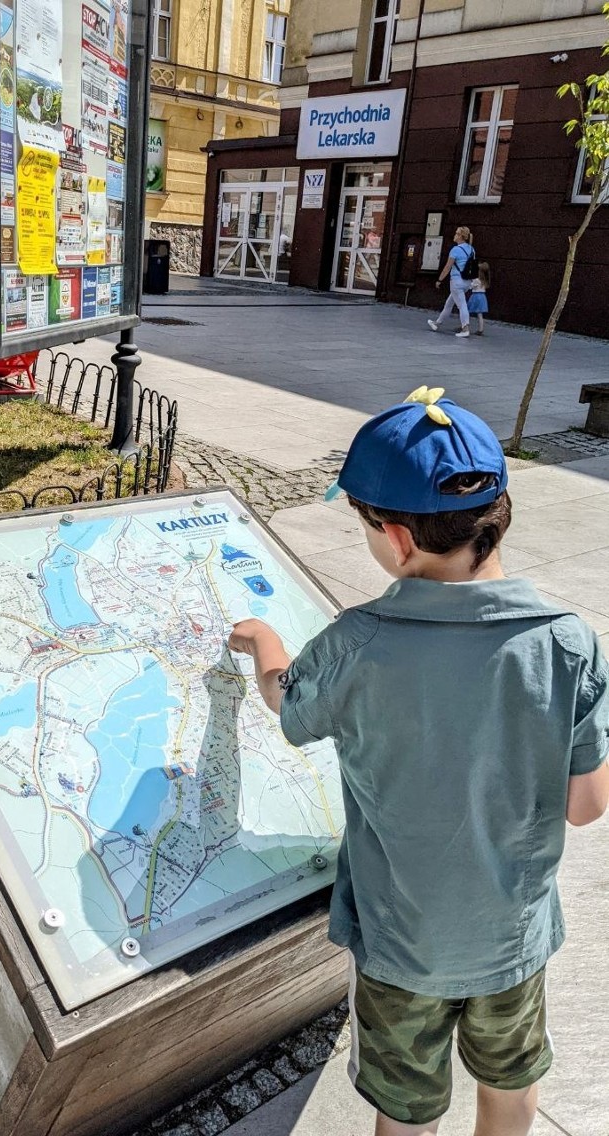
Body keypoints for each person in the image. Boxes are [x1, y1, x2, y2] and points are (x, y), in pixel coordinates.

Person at [229, 386, 609, 1136]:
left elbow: (288, 704)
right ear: (502, 516)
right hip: (513, 942)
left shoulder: (357, 643)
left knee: (407, 1108)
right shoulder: (568, 642)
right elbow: (587, 804)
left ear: (396, 539)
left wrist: (265, 645)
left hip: (402, 947)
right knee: (512, 1080)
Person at [427, 225, 475, 338]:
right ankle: (437, 323)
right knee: (449, 304)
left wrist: (439, 280)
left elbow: (447, 267)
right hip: (467, 282)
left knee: (462, 305)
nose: (454, 235)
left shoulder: (455, 250)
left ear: (460, 236)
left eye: (456, 233)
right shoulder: (472, 249)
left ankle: (465, 328)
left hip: (456, 281)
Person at [468, 261, 491, 336]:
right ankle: (480, 329)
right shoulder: (484, 280)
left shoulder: (476, 280)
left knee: (467, 311)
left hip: (475, 296)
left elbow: (470, 286)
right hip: (482, 296)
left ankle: (464, 325)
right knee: (479, 314)